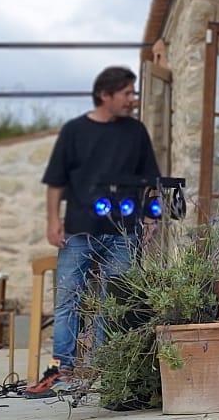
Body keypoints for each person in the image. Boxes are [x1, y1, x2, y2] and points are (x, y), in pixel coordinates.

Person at [25, 66, 158, 397]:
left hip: (123, 232)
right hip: (79, 230)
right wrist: (53, 221)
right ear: (105, 95)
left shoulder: (136, 132)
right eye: (126, 93)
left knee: (115, 302)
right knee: (68, 299)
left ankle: (103, 369)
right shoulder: (75, 131)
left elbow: (151, 180)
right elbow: (55, 181)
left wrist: (150, 218)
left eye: (133, 92)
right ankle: (62, 370)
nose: (132, 99)